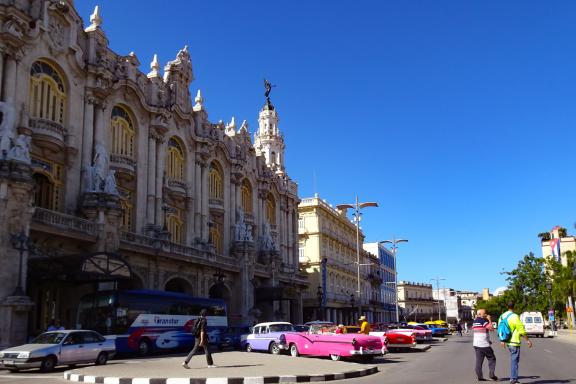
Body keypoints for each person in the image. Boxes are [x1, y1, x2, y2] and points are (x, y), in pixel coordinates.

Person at [500, 302, 532, 384]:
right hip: (514, 341)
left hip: (507, 341)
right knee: (514, 361)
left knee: (513, 360)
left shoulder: (502, 316)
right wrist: (527, 340)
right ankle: (513, 379)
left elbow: (501, 329)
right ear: (514, 307)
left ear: (507, 306)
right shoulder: (515, 316)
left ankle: (514, 378)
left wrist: (502, 340)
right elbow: (521, 329)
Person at [472, 309, 498, 382]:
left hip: (476, 344)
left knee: (479, 361)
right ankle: (492, 375)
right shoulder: (482, 321)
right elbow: (491, 328)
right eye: (484, 313)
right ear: (480, 314)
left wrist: (488, 339)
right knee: (492, 358)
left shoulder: (475, 321)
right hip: (483, 344)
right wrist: (489, 319)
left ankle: (480, 377)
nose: (486, 314)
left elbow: (481, 331)